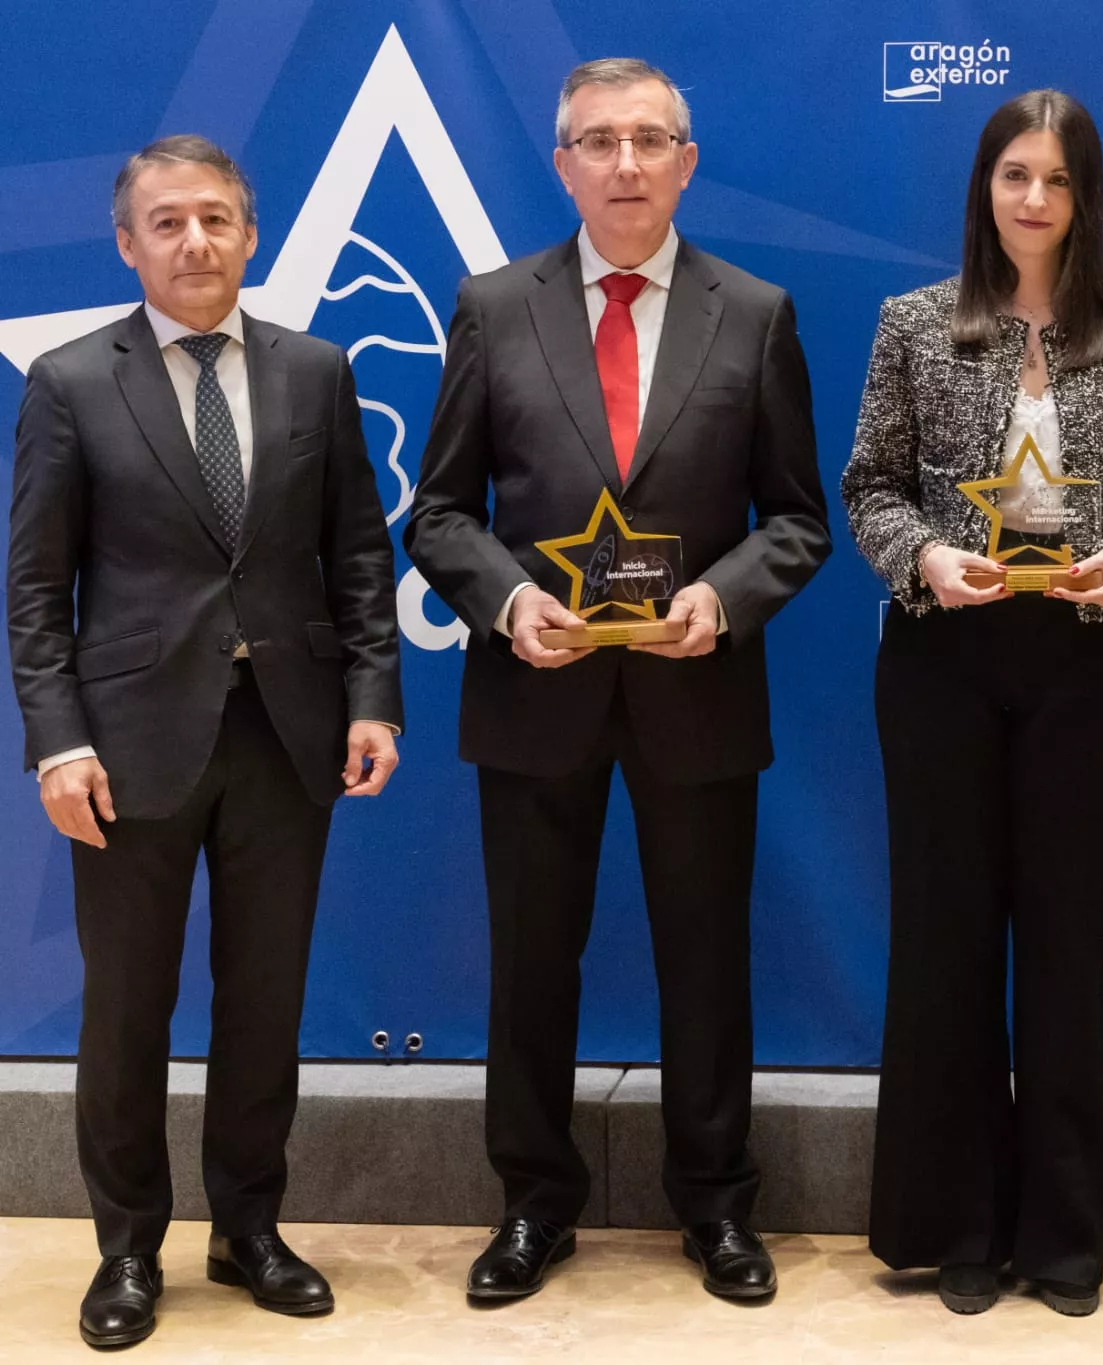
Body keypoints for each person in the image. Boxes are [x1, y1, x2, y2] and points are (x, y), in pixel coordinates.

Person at [405, 58, 829, 1302]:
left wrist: (723, 600)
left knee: (707, 963)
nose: (626, 164)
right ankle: (533, 1205)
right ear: (563, 166)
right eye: (599, 141)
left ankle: (717, 1205)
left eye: (650, 140)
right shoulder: (493, 307)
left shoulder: (756, 313)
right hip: (535, 692)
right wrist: (506, 601)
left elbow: (797, 519)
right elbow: (438, 513)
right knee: (532, 965)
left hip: (695, 692)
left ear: (686, 162)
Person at [7, 135, 402, 1348]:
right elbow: (37, 589)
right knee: (127, 1009)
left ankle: (248, 1231)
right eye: (168, 222)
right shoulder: (71, 381)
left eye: (217, 219)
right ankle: (128, 1249)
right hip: (127, 749)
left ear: (250, 235)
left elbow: (356, 554)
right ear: (128, 244)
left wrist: (374, 699)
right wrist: (56, 743)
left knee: (264, 1001)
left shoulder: (316, 372)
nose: (195, 241)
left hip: (286, 734)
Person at [841, 87, 1103, 1318]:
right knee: (944, 947)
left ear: (1086, 195)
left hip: (1086, 665)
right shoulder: (911, 323)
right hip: (941, 661)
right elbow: (869, 488)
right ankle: (956, 1227)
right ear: (983, 189)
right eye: (1013, 176)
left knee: (1063, 950)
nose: (1034, 198)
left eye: (1056, 178)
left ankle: (1060, 1235)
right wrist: (925, 560)